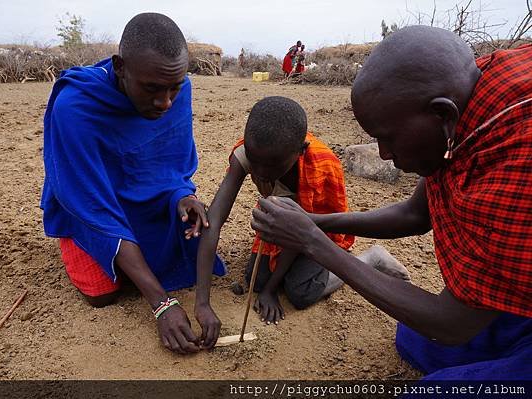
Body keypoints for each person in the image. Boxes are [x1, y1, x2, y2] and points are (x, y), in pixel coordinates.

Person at [251, 25, 532, 379]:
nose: (384, 154)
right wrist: (316, 221)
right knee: (413, 336)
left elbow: (451, 325)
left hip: (457, 320)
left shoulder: (515, 167)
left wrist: (312, 240)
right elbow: (416, 214)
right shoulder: (473, 100)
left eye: (387, 138)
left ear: (442, 115)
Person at [40, 13, 225, 355]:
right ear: (120, 67)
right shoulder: (76, 107)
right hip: (90, 204)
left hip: (147, 199)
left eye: (175, 87)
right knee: (103, 295)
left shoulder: (175, 90)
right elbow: (87, 200)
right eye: (153, 89)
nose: (166, 102)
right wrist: (161, 304)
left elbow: (171, 165)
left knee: (184, 255)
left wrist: (183, 196)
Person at [195, 96, 409, 348]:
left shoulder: (321, 167)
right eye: (256, 161)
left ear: (300, 151)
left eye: (272, 165)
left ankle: (370, 259)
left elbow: (302, 233)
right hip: (284, 221)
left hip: (318, 229)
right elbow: (215, 220)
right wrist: (202, 304)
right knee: (257, 279)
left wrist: (271, 290)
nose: (261, 172)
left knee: (300, 293)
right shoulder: (249, 152)